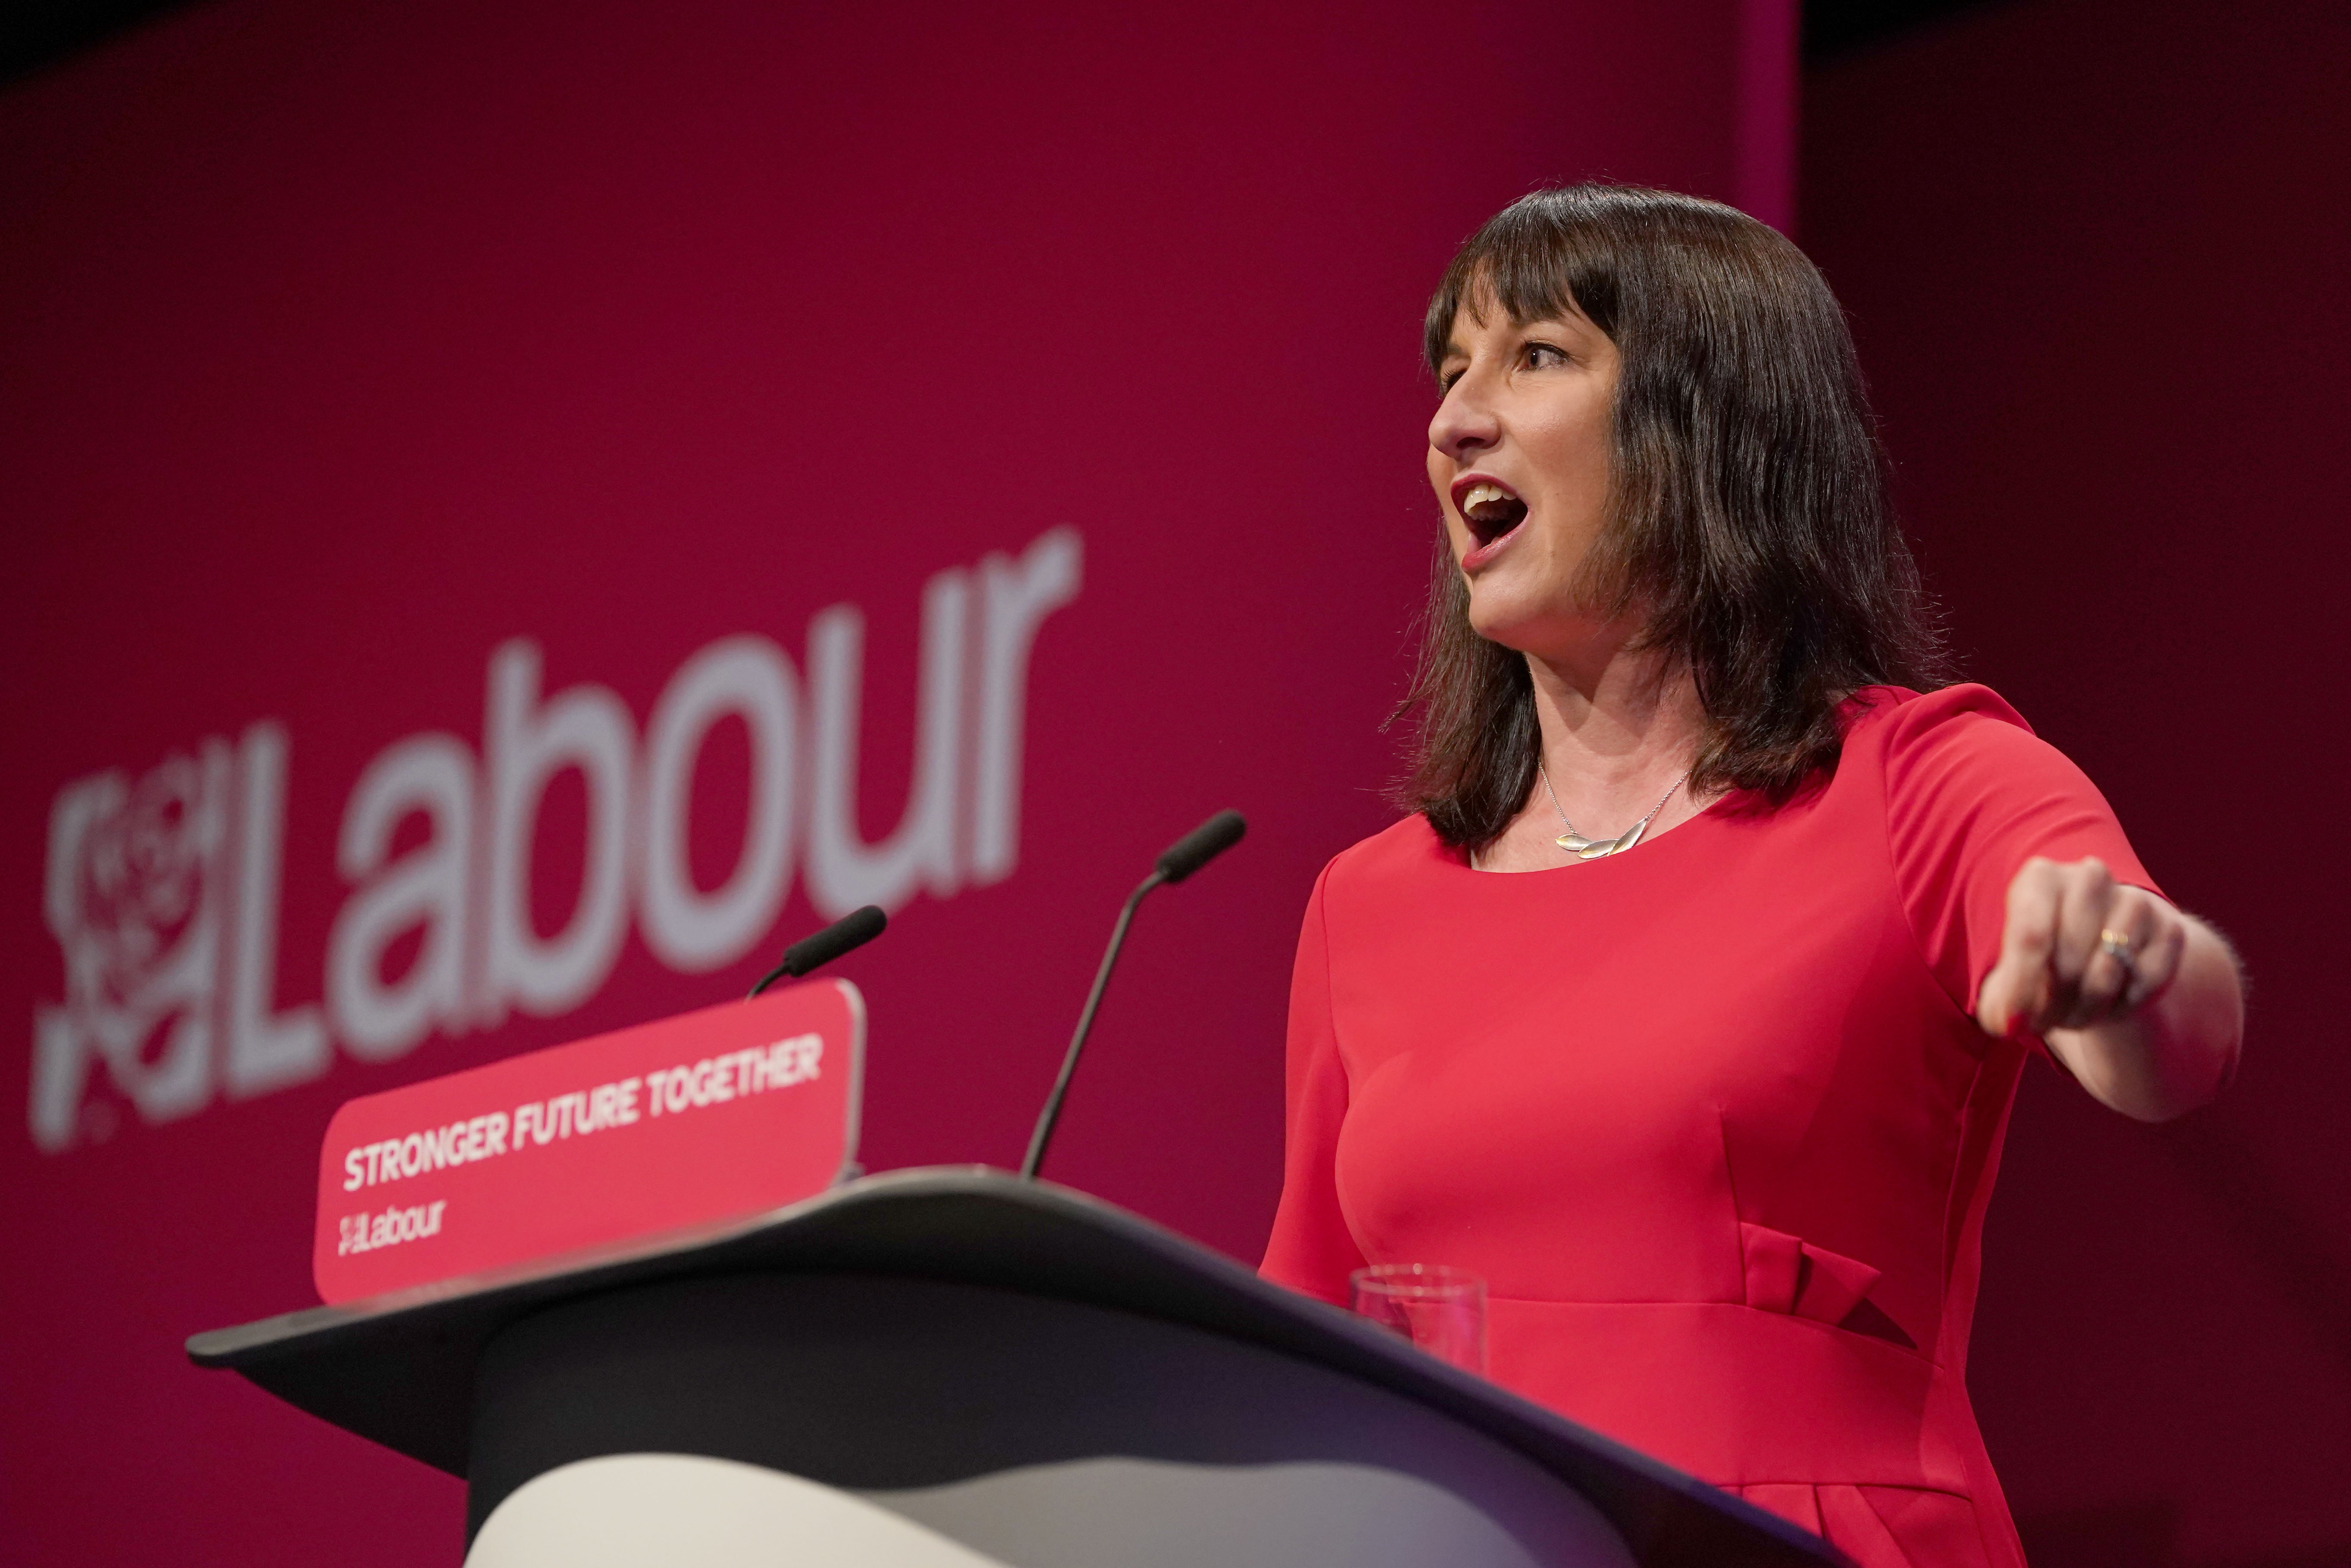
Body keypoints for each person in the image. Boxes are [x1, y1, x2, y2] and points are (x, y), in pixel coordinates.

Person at [1258, 185, 2245, 1568]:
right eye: (1451, 370)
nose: (1452, 421)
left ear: (1711, 424)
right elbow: (1301, 1343)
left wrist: (2128, 971)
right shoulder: (1371, 900)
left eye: (1535, 356)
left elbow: (2174, 1038)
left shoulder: (1917, 779)